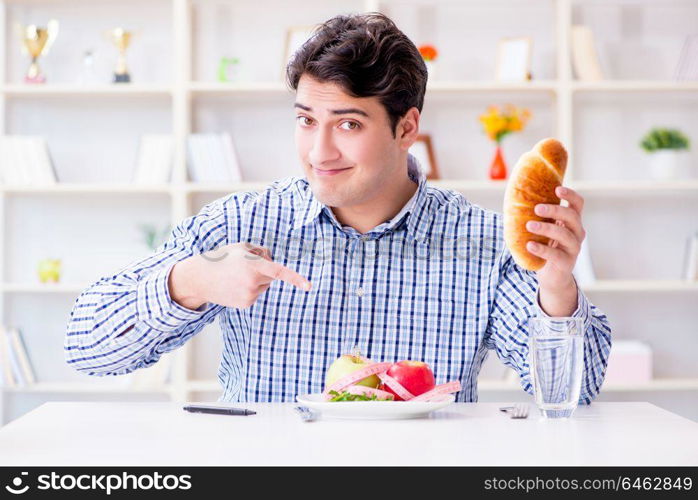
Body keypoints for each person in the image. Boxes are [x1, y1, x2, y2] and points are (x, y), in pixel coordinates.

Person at [64, 13, 611, 403]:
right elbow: (87, 347)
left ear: (407, 127)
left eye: (348, 124)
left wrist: (559, 288)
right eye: (306, 121)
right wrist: (190, 283)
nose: (319, 152)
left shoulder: (485, 241)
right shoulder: (238, 225)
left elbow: (575, 393)